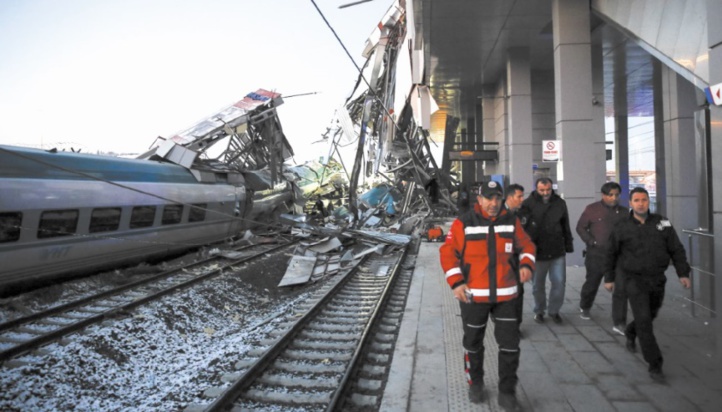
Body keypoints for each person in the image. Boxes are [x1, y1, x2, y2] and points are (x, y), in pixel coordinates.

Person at [439, 181, 535, 410]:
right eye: (488, 198)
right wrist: (456, 283)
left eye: (497, 198)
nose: (493, 203)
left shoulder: (511, 222)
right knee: (473, 344)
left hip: (507, 295)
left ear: (502, 200)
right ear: (479, 200)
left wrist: (526, 265)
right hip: (473, 296)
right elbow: (447, 253)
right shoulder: (464, 223)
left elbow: (527, 246)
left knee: (510, 346)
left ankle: (507, 392)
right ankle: (476, 383)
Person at [603, 187, 691, 382]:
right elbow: (610, 253)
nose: (641, 203)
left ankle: (631, 331)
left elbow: (676, 249)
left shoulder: (662, 223)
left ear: (647, 202)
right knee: (644, 320)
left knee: (650, 315)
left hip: (657, 279)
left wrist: (683, 273)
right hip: (633, 280)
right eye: (637, 200)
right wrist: (609, 278)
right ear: (631, 203)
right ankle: (655, 364)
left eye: (644, 200)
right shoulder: (622, 226)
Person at [575, 181, 628, 334]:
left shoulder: (624, 212)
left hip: (619, 256)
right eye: (610, 195)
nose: (614, 198)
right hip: (597, 254)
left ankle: (619, 322)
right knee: (592, 283)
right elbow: (580, 227)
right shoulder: (592, 209)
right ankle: (585, 306)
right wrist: (592, 241)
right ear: (603, 195)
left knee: (621, 288)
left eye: (617, 195)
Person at [521, 177, 574, 324]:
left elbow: (565, 225)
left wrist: (568, 245)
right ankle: (539, 311)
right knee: (538, 285)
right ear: (536, 189)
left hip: (557, 250)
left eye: (548, 190)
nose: (545, 193)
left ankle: (554, 311)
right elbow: (523, 229)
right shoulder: (528, 204)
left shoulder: (560, 203)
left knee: (559, 283)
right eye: (542, 190)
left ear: (552, 188)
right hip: (537, 253)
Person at [503, 184, 527, 331]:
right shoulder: (497, 213)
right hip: (502, 260)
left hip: (518, 260)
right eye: (519, 196)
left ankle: (515, 325)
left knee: (518, 292)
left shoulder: (524, 213)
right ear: (510, 197)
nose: (522, 199)